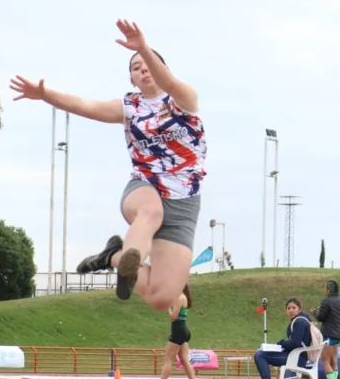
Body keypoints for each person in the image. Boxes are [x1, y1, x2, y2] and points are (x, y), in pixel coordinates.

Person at [12, 20, 206, 312]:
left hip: (184, 204)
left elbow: (169, 82)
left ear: (163, 70)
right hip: (145, 188)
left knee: (161, 298)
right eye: (135, 67)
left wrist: (142, 47)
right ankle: (131, 260)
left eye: (148, 64)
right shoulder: (129, 108)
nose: (143, 69)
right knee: (151, 212)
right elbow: (84, 106)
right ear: (131, 80)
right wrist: (45, 95)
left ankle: (114, 255)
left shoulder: (184, 99)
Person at [253, 298, 315, 379]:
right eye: (288, 308)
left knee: (259, 355)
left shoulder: (299, 321)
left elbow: (295, 343)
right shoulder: (303, 319)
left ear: (300, 309)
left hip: (297, 359)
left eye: (293, 308)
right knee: (261, 353)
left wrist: (280, 343)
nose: (291, 310)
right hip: (297, 356)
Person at [148, 284, 200, 379]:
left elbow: (173, 317)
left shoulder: (180, 297)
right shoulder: (180, 297)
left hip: (178, 331)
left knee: (168, 359)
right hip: (182, 330)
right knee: (185, 360)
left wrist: (168, 308)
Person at [312, 279, 340, 379]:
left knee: (325, 360)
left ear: (329, 290)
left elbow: (321, 317)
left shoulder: (326, 301)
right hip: (338, 334)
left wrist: (315, 312)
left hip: (328, 334)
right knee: (333, 360)